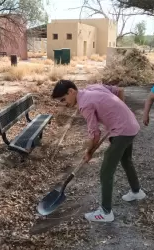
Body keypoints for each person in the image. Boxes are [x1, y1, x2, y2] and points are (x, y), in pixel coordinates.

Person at [51, 80, 146, 223]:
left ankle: (106, 212)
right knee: (126, 160)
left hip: (122, 130)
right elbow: (119, 90)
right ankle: (137, 191)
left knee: (106, 171)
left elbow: (95, 134)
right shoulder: (93, 87)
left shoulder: (84, 105)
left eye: (63, 99)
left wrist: (89, 151)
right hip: (130, 124)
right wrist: (119, 113)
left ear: (71, 91)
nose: (64, 104)